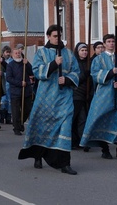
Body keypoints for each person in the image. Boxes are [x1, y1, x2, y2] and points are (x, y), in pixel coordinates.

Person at [18, 24, 79, 175]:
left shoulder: (69, 54)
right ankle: (38, 155)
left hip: (64, 98)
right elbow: (37, 71)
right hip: (45, 98)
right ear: (49, 36)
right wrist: (53, 64)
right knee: (43, 127)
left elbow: (77, 72)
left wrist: (67, 79)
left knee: (65, 128)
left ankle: (65, 163)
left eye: (59, 36)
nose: (57, 38)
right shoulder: (41, 53)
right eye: (55, 36)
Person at [80, 34, 117, 161]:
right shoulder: (98, 59)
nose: (111, 44)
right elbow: (95, 74)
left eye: (113, 41)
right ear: (104, 44)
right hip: (103, 95)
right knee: (102, 120)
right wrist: (109, 73)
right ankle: (105, 149)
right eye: (108, 41)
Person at [7, 47, 34, 136]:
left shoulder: (25, 63)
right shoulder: (10, 65)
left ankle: (21, 122)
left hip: (26, 91)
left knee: (27, 109)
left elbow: (31, 73)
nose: (18, 54)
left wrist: (28, 64)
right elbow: (9, 78)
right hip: (16, 91)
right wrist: (19, 83)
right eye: (16, 53)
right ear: (12, 55)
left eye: (19, 53)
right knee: (16, 111)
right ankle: (17, 127)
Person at [71, 42, 90, 148]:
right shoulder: (74, 63)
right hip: (76, 94)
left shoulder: (89, 63)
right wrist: (85, 75)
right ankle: (75, 140)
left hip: (85, 95)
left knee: (82, 118)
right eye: (82, 50)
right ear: (77, 52)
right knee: (76, 118)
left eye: (86, 50)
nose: (84, 52)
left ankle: (81, 140)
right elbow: (75, 78)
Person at [0, 46, 13, 125]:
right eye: (6, 52)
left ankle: (8, 116)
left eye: (9, 52)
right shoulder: (0, 60)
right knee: (3, 100)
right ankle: (2, 115)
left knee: (9, 100)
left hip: (9, 82)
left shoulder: (11, 61)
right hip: (2, 81)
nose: (8, 54)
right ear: (3, 52)